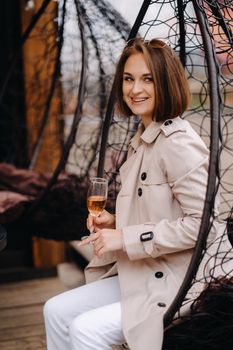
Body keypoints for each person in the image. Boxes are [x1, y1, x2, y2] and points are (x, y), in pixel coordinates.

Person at [43, 38, 218, 350]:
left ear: (165, 82)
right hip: (144, 271)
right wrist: (113, 224)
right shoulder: (143, 140)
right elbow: (159, 212)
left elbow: (204, 225)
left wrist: (124, 238)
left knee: (86, 330)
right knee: (55, 311)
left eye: (147, 78)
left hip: (180, 281)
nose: (135, 89)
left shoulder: (177, 143)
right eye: (128, 78)